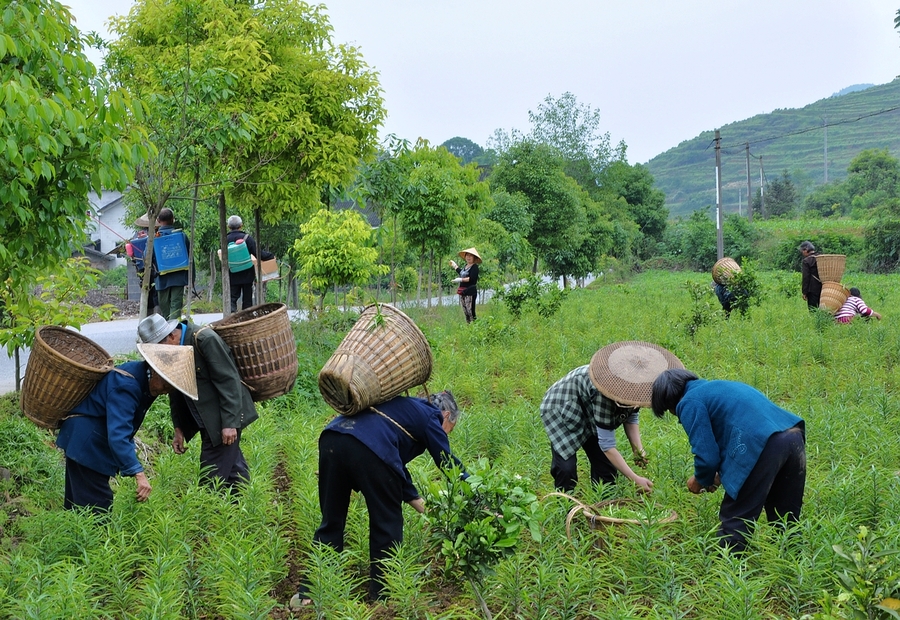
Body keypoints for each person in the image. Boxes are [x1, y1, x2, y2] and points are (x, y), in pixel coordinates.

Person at [292, 391, 466, 607]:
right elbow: (447, 463)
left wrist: (420, 503)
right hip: (368, 448)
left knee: (331, 521)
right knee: (387, 524)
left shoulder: (400, 407)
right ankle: (383, 598)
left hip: (333, 439)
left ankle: (308, 593)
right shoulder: (432, 416)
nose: (446, 434)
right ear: (447, 415)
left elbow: (394, 465)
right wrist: (474, 491)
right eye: (451, 428)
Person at [651, 369, 806, 553]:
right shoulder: (718, 387)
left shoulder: (689, 402)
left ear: (669, 402)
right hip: (793, 437)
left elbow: (707, 457)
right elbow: (734, 432)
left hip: (761, 445)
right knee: (786, 518)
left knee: (735, 521)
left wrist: (699, 480)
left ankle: (727, 575)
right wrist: (716, 477)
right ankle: (792, 569)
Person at [55, 343, 198, 512]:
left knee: (79, 505)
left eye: (171, 389)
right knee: (96, 508)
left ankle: (75, 536)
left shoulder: (145, 379)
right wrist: (139, 473)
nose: (166, 392)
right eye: (166, 386)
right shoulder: (127, 385)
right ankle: (92, 539)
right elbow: (118, 435)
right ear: (155, 372)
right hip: (87, 444)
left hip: (87, 440)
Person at [540, 342, 681, 494]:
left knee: (606, 470)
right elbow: (607, 445)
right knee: (566, 470)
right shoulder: (604, 392)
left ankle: (603, 507)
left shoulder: (638, 385)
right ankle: (565, 508)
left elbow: (631, 416)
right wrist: (634, 478)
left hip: (589, 409)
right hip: (563, 408)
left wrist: (637, 449)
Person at [137, 313, 258, 490]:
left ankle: (207, 513)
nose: (159, 354)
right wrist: (179, 428)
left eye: (159, 347)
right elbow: (176, 390)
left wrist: (230, 424)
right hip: (206, 420)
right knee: (233, 471)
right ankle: (245, 510)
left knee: (210, 479)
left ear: (171, 335)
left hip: (222, 419)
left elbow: (229, 380)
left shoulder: (204, 339)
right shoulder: (172, 350)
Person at [225, 215, 275, 313]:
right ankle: (247, 320)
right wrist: (271, 256)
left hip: (232, 274)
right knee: (247, 300)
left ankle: (230, 320)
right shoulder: (247, 238)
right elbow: (259, 254)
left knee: (232, 299)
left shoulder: (225, 239)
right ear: (241, 225)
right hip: (247, 274)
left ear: (228, 227)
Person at [154, 208, 191, 320]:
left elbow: (147, 257)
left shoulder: (154, 238)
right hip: (179, 278)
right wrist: (191, 278)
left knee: (164, 307)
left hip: (162, 279)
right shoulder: (182, 236)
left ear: (158, 220)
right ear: (173, 220)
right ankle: (174, 330)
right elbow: (190, 258)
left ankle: (168, 330)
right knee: (175, 307)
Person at [449, 247, 481, 323]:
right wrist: (455, 266)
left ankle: (475, 326)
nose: (468, 257)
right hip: (463, 291)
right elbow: (461, 273)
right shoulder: (466, 266)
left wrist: (460, 279)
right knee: (466, 311)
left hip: (470, 291)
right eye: (467, 255)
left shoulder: (474, 267)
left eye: (471, 256)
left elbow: (472, 278)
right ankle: (469, 326)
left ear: (474, 257)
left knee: (470, 311)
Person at [799, 241, 822, 311]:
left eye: (802, 251)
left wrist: (804, 292)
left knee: (813, 310)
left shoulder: (807, 261)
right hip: (824, 288)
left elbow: (806, 277)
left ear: (806, 250)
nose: (802, 253)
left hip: (812, 289)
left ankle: (815, 322)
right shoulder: (822, 257)